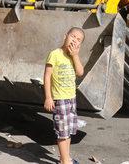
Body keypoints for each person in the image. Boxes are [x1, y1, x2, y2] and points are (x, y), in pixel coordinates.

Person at [44, 27, 85, 164]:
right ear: (65, 36)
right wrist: (48, 97)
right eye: (73, 36)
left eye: (79, 40)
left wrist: (75, 56)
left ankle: (65, 158)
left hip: (71, 99)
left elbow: (80, 72)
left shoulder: (74, 57)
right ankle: (65, 162)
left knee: (68, 131)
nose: (75, 40)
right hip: (59, 99)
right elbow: (47, 76)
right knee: (62, 132)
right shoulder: (55, 54)